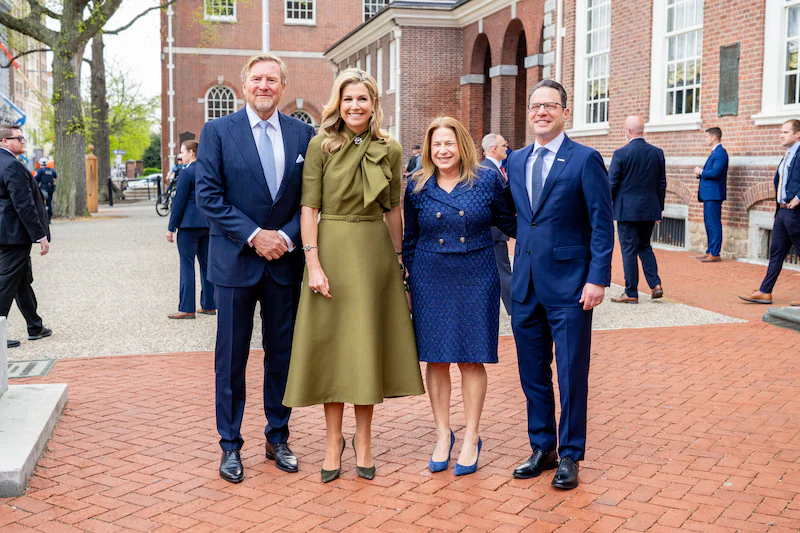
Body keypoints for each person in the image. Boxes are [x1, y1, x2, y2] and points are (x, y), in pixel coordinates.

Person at [283, 68, 424, 483]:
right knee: (333, 352)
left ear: (373, 103)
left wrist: (400, 260)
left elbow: (393, 208)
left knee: (365, 349)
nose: (355, 106)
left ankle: (363, 441)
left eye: (362, 99)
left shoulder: (391, 148)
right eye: (348, 99)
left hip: (374, 255)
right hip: (330, 249)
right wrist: (313, 262)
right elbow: (309, 208)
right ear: (337, 104)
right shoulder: (319, 146)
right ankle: (332, 443)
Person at [196, 54, 315, 484]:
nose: (264, 86)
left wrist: (284, 237)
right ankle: (230, 445)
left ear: (283, 86)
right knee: (231, 360)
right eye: (257, 79)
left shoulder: (305, 134)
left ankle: (277, 436)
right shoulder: (218, 132)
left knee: (281, 356)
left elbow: (310, 198)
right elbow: (208, 197)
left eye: (272, 79)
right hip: (234, 263)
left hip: (284, 262)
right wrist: (254, 235)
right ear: (245, 84)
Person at [507, 80, 613, 490]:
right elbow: (514, 217)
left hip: (571, 287)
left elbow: (602, 224)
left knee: (571, 373)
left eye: (551, 106)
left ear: (565, 112)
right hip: (526, 286)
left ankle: (570, 454)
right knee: (532, 373)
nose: (542, 112)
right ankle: (543, 447)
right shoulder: (516, 161)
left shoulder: (585, 159)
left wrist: (597, 278)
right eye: (536, 106)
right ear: (529, 112)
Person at [403, 118, 515, 476]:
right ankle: (442, 433)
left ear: (462, 144)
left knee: (470, 359)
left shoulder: (485, 179)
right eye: (436, 145)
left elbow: (510, 220)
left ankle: (472, 437)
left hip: (477, 273)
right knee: (435, 360)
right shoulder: (417, 185)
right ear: (428, 148)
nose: (443, 151)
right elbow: (409, 238)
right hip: (430, 275)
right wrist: (407, 281)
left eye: (449, 143)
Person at [0, 125, 52, 349]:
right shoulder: (12, 165)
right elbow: (24, 204)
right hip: (14, 235)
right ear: (4, 141)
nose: (23, 141)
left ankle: (34, 325)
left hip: (7, 233)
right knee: (6, 283)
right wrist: (39, 234)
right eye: (18, 138)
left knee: (21, 280)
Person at [739, 120, 800, 305]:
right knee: (776, 253)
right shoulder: (787, 155)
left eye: (785, 132)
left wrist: (799, 197)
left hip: (796, 212)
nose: (781, 135)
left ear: (798, 134)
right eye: (781, 132)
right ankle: (765, 291)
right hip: (782, 212)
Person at [608, 116, 665, 304]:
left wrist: (606, 206)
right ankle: (655, 284)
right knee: (645, 246)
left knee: (628, 251)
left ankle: (631, 292)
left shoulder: (621, 154)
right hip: (650, 209)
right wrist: (659, 209)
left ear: (628, 131)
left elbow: (612, 184)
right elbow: (661, 184)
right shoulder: (657, 153)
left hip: (627, 211)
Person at [166, 140, 215, 319]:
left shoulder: (187, 172)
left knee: (187, 265)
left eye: (183, 152)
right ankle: (209, 304)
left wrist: (171, 228)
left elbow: (179, 202)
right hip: (207, 224)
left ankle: (187, 307)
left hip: (188, 225)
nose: (181, 155)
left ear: (192, 153)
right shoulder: (209, 171)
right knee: (207, 265)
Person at [481, 132, 513, 315]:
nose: (506, 149)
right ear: (494, 149)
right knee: (503, 272)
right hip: (494, 231)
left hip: (496, 231)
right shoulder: (487, 171)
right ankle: (515, 308)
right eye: (503, 146)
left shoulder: (495, 169)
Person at [693, 127, 728, 262]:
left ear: (714, 137)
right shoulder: (715, 152)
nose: (705, 139)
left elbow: (715, 173)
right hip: (708, 194)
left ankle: (715, 253)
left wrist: (700, 171)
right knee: (708, 223)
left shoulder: (720, 153)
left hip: (714, 194)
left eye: (707, 137)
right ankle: (710, 250)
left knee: (714, 223)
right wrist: (700, 174)